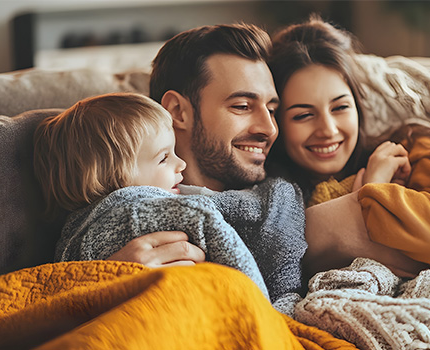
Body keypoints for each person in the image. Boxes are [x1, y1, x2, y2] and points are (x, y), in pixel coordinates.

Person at [34, 92, 306, 302]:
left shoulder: (70, 236)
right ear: (115, 176)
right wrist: (266, 308)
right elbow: (211, 227)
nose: (181, 165)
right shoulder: (166, 211)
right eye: (164, 157)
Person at [266, 16, 430, 278]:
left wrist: (375, 191)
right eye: (303, 115)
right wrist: (360, 203)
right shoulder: (271, 196)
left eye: (340, 107)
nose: (329, 130)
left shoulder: (409, 149)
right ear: (278, 122)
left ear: (358, 107)